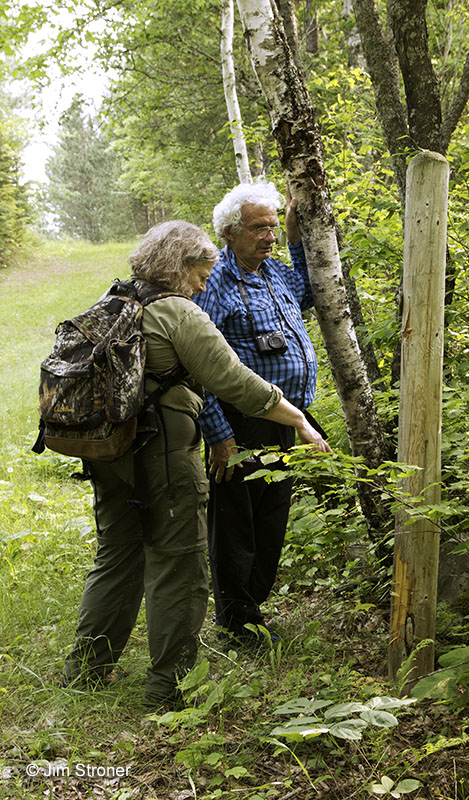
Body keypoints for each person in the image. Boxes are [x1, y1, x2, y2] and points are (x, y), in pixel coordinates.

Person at [62, 220, 330, 708]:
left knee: (117, 555)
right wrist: (301, 422)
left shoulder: (115, 301)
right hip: (163, 454)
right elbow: (238, 384)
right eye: (202, 273)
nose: (206, 283)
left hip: (108, 450)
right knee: (180, 563)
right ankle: (170, 689)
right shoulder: (179, 313)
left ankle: (84, 672)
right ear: (180, 267)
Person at [195, 181, 321, 644]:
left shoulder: (275, 272)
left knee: (271, 520)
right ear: (230, 232)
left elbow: (309, 289)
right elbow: (200, 365)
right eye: (259, 229)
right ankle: (235, 620)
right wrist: (219, 435)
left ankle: (252, 608)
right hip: (240, 423)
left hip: (285, 420)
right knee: (235, 526)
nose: (269, 237)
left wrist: (297, 234)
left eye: (272, 228)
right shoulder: (216, 283)